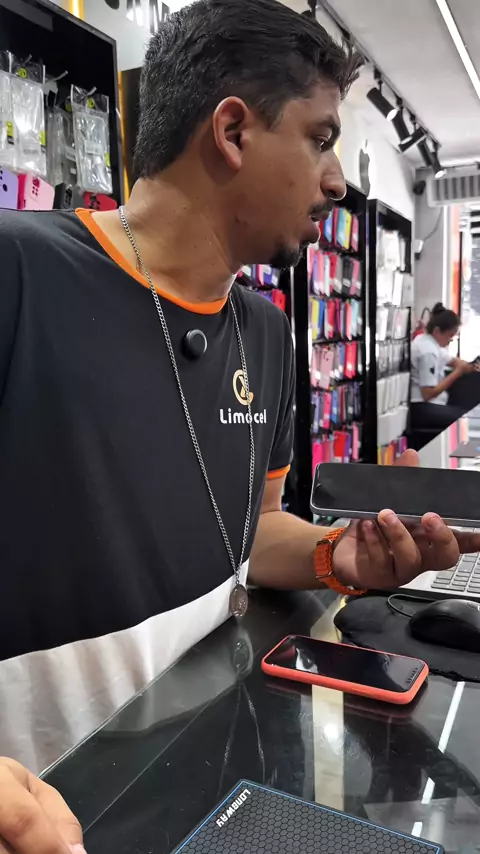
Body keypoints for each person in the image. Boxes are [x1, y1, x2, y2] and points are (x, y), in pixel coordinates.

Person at [1, 0, 480, 847]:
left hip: (205, 773)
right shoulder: (21, 272)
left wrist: (337, 555)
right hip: (47, 810)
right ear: (231, 131)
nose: (337, 182)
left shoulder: (263, 331)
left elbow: (251, 530)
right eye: (321, 139)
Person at [410, 303, 479, 438]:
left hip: (432, 404)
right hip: (422, 407)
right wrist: (457, 372)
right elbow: (428, 394)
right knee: (466, 419)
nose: (450, 341)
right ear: (437, 331)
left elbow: (452, 361)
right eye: (449, 336)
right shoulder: (428, 352)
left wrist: (471, 366)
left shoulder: (428, 342)